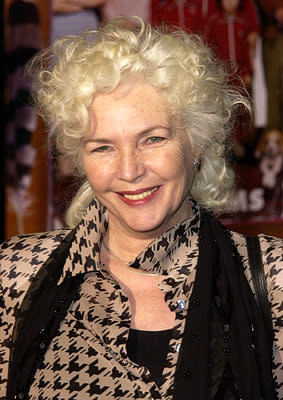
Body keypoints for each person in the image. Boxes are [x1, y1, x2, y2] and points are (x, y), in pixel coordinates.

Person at [0, 18, 282, 400]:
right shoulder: (15, 275)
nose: (130, 170)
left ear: (196, 142)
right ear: (80, 160)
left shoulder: (271, 280)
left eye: (152, 139)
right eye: (103, 147)